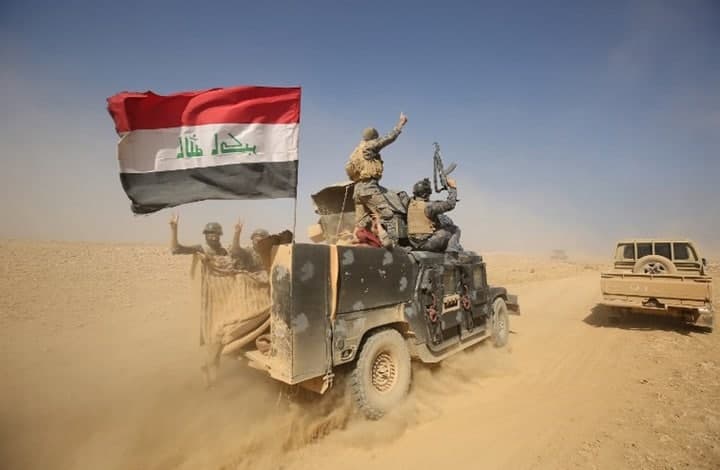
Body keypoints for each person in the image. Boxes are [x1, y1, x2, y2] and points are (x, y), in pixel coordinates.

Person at [345, 112, 408, 247]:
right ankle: (393, 244)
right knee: (388, 215)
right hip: (369, 188)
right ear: (373, 138)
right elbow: (389, 138)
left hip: (357, 190)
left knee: (360, 222)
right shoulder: (370, 146)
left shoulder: (357, 151)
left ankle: (355, 238)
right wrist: (401, 124)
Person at [406, 177, 463, 253]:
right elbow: (450, 205)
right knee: (454, 229)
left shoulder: (410, 204)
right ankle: (451, 252)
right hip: (427, 243)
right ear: (425, 194)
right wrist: (453, 187)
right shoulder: (429, 207)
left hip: (414, 243)